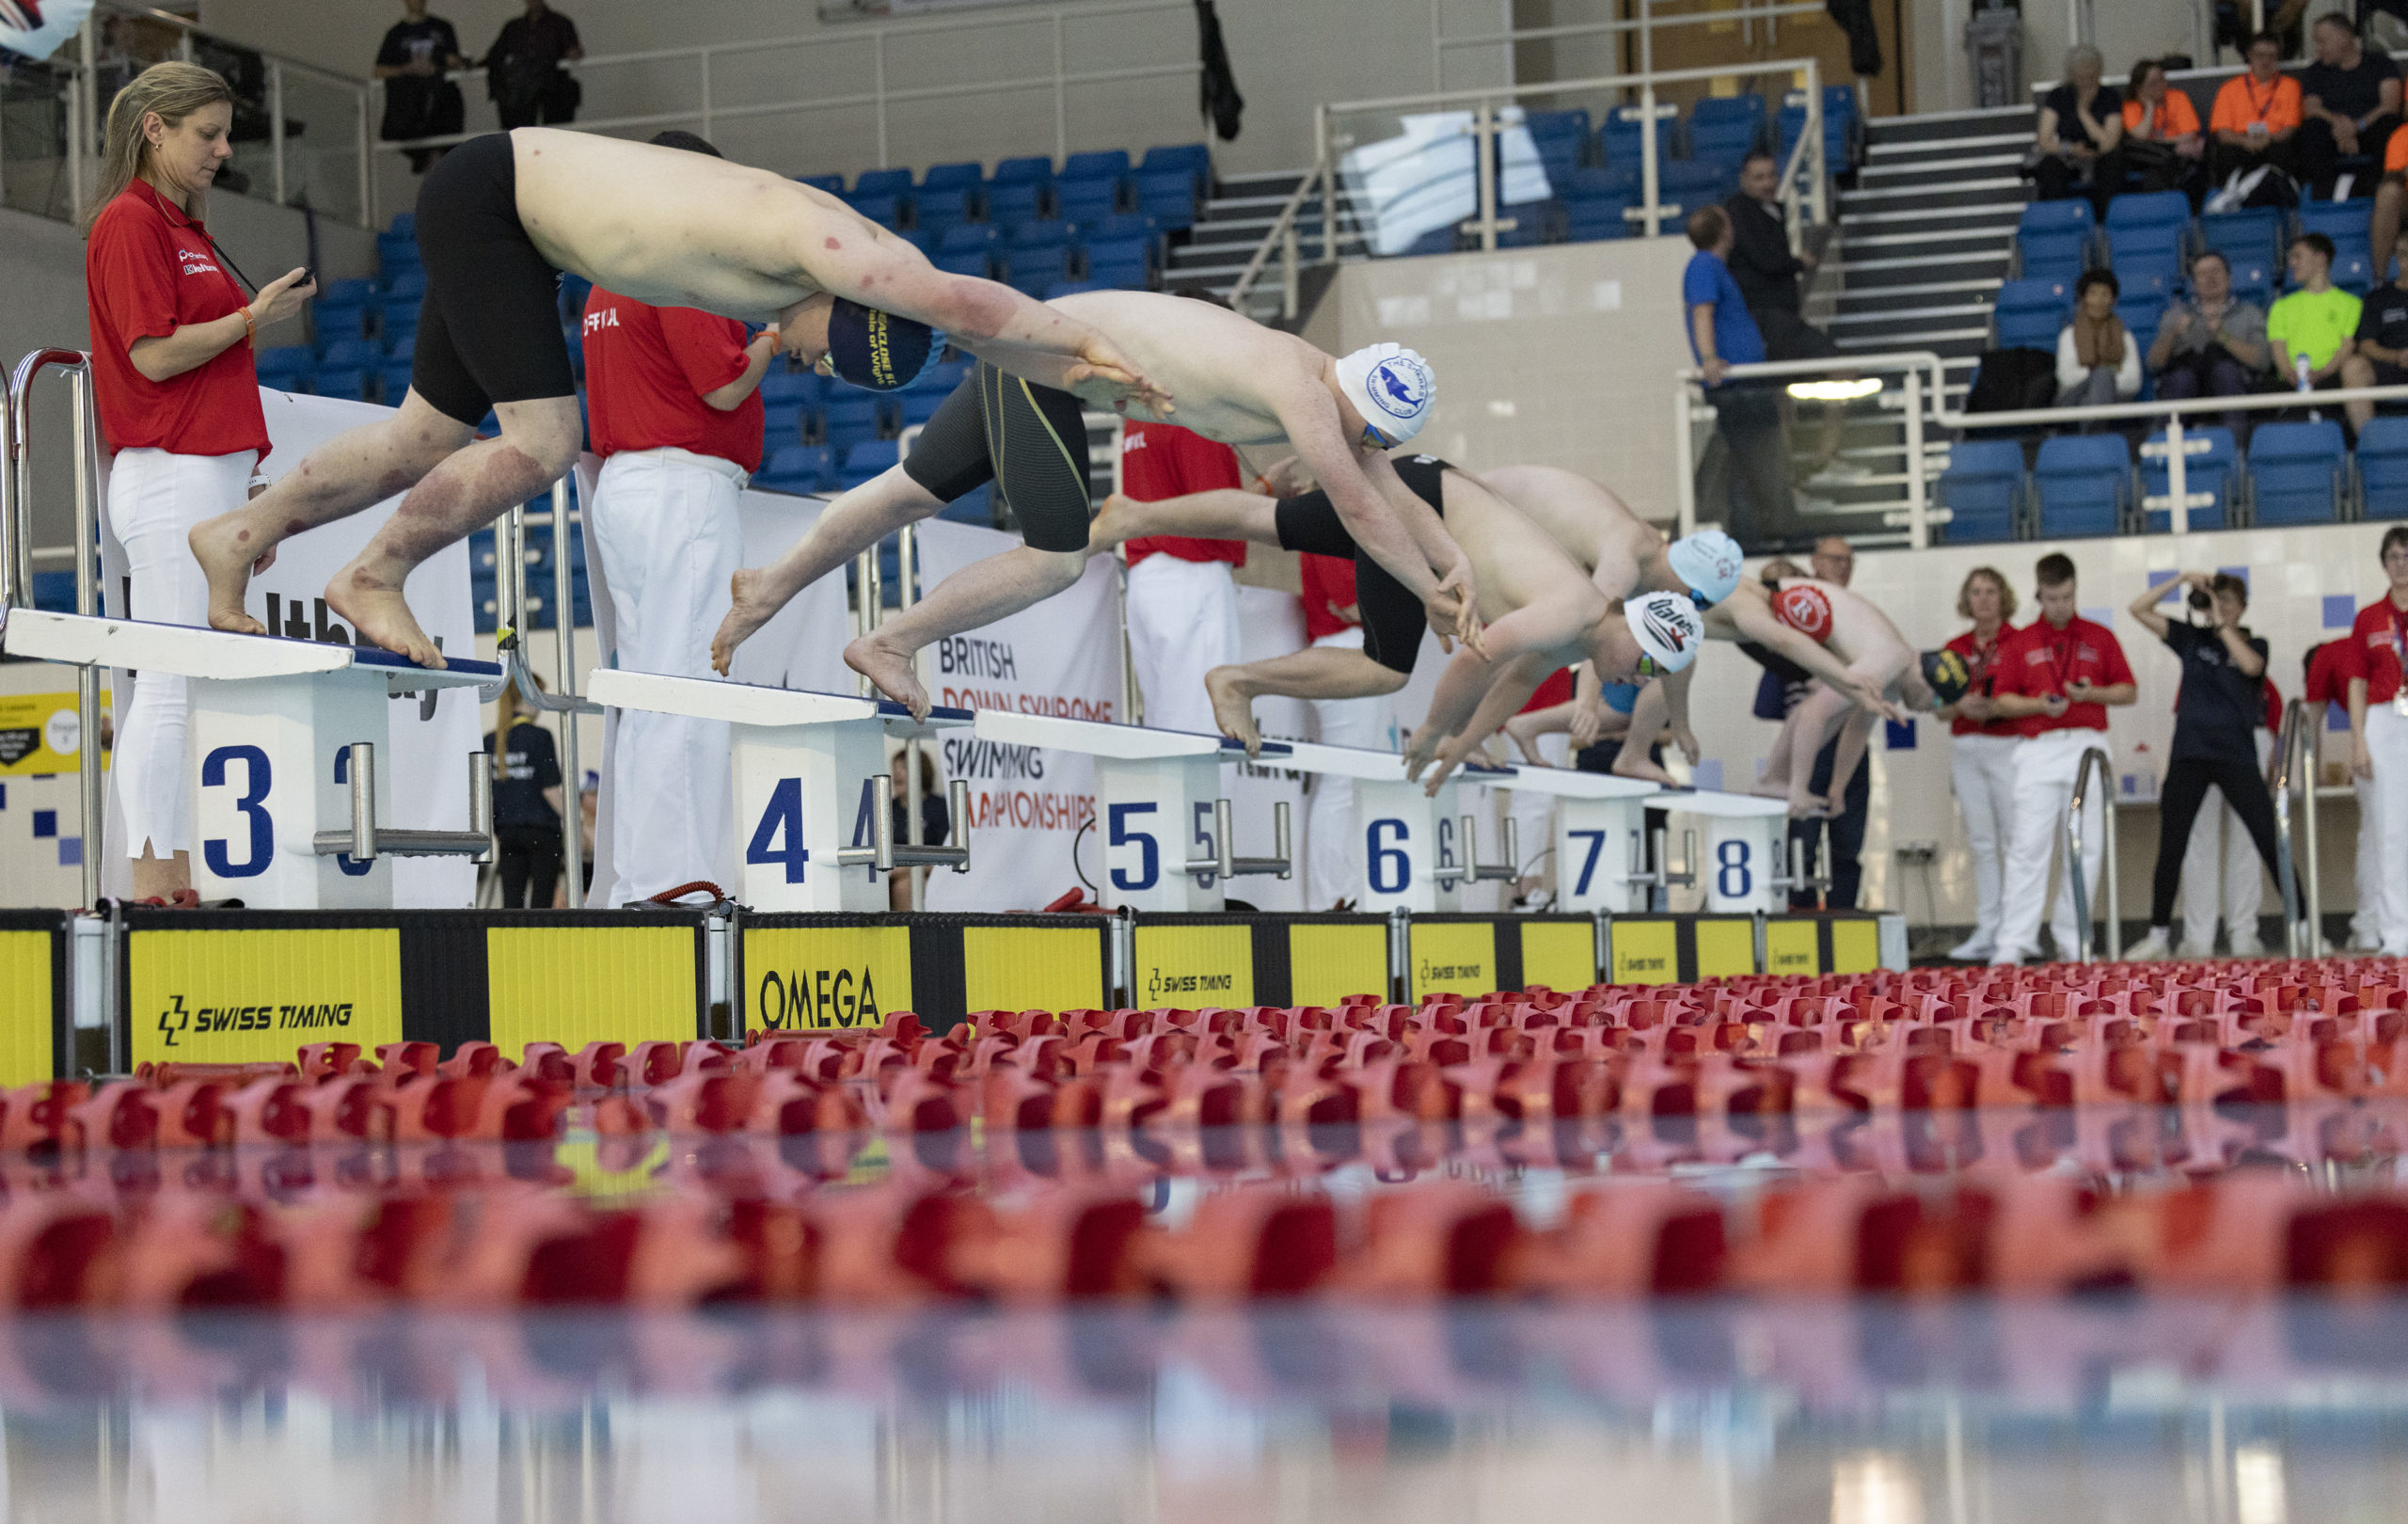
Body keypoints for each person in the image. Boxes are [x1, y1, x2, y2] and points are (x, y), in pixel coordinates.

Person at [190, 128, 1164, 676]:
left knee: (427, 432)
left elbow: (956, 318)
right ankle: (373, 572)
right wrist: (1080, 342)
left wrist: (1044, 357)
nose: (808, 366)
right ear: (858, 311)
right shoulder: (838, 255)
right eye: (830, 362)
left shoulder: (853, 269)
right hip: (498, 206)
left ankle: (239, 536)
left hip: (500, 208)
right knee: (542, 441)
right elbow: (962, 301)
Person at [710, 293, 1479, 720]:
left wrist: (1455, 565)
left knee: (912, 488)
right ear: (1355, 399)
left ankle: (769, 583)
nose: (1359, 448)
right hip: (1039, 360)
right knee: (1056, 559)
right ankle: (890, 642)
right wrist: (1426, 592)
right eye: (1364, 435)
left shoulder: (1330, 397)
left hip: (1036, 350)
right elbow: (1360, 504)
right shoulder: (1303, 390)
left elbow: (1389, 488)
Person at [82, 62, 316, 903]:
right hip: (168, 471)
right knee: (167, 683)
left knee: (182, 688)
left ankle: (172, 877)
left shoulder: (185, 225)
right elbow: (152, 356)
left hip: (206, 472)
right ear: (154, 129)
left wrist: (247, 478)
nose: (222, 150)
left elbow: (210, 371)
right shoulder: (128, 223)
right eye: (205, 134)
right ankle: (153, 882)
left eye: (224, 134)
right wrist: (253, 318)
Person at [1082, 455, 1702, 758]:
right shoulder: (1572, 611)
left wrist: (1463, 742)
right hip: (1421, 512)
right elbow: (1474, 663)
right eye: (1646, 666)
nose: (1636, 679)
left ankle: (1137, 514)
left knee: (1270, 519)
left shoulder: (1579, 634)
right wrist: (1435, 730)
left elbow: (1515, 682)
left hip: (1425, 486)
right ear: (1636, 628)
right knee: (1385, 667)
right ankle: (1239, 680)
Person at [578, 130, 781, 907]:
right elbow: (724, 387)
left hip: (631, 487)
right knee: (688, 681)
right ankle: (676, 884)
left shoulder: (611, 270)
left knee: (647, 685)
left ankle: (641, 875)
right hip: (680, 487)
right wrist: (767, 337)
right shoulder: (676, 264)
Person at [1985, 552, 2138, 965]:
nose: (2059, 606)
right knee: (2027, 848)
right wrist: (2037, 704)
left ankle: (2074, 939)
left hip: (2087, 745)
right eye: (2052, 598)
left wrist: (2092, 694)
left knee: (2087, 848)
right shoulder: (2020, 642)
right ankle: (2013, 942)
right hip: (2037, 749)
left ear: (2075, 590)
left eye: (2067, 597)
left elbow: (2128, 690)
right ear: (2039, 593)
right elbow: (2000, 701)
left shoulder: (2098, 636)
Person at [2124, 573, 2283, 961]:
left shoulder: (2253, 642)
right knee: (2172, 847)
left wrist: (2221, 625)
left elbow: (2249, 667)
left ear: (2242, 607)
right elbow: (2138, 609)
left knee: (2268, 840)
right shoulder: (2190, 639)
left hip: (2237, 756)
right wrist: (2180, 579)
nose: (2221, 605)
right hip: (2190, 756)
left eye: (2229, 600)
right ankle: (2159, 935)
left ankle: (2304, 926)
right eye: (2215, 598)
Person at [1721, 151, 1852, 487]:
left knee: (1783, 398)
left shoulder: (1766, 212)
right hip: (1769, 321)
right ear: (1744, 180)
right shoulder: (1739, 213)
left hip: (1776, 319)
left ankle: (1802, 475)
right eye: (1759, 178)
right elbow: (1766, 261)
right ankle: (1820, 461)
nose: (1767, 184)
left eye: (1771, 176)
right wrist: (1798, 262)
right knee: (1838, 370)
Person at [1120, 420, 1251, 736]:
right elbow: (1218, 512)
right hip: (1189, 571)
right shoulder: (1193, 417)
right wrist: (1270, 492)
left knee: (1169, 723)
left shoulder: (1139, 416)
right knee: (1206, 727)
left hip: (1148, 574)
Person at [1683, 205, 1790, 548]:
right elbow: (1703, 311)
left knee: (1746, 463)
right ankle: (1761, 536)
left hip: (1744, 384)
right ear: (1725, 231)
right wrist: (1710, 358)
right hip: (1737, 387)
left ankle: (1755, 533)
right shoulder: (1704, 265)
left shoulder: (1711, 267)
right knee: (1757, 463)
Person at [1937, 567, 2022, 961]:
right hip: (1966, 743)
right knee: (1982, 843)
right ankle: (1989, 927)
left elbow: (2035, 695)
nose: (1984, 599)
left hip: (2008, 744)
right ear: (1965, 599)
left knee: (2015, 841)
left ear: (2003, 597)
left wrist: (1998, 707)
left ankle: (2016, 928)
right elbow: (1937, 708)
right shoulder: (1954, 646)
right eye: (1976, 592)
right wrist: (1959, 705)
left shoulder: (2020, 642)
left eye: (1991, 591)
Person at [1296, 549, 1387, 910]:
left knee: (1351, 785)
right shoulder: (1329, 524)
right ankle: (1332, 894)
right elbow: (1350, 605)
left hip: (1358, 649)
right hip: (1344, 648)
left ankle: (1340, 891)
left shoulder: (1342, 520)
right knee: (1342, 784)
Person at [2346, 525, 2408, 956]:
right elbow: (2354, 682)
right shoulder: (2369, 617)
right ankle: (2397, 934)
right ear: (2383, 564)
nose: (2401, 565)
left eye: (2407, 556)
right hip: (2384, 719)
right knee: (2388, 829)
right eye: (2394, 557)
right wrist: (2357, 741)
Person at [2304, 637, 2379, 951]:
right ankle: (2374, 926)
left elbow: (2312, 719)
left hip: (2377, 734)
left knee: (2377, 835)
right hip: (2379, 733)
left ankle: (2369, 927)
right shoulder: (2372, 640)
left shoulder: (2326, 656)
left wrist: (2315, 773)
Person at [2149, 249, 2271, 440]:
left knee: (2225, 371)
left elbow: (2262, 361)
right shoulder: (2175, 315)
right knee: (2181, 378)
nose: (2210, 278)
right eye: (2202, 274)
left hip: (2234, 391)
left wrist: (2222, 337)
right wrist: (2172, 335)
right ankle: (2161, 455)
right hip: (2186, 390)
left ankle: (2236, 454)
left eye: (2216, 271)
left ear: (2229, 278)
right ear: (2194, 283)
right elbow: (2153, 364)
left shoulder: (2250, 313)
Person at [2297, 11, 2400, 200]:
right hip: (2334, 135)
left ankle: (2375, 189)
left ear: (2344, 37)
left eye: (2322, 41)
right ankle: (2325, 193)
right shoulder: (2316, 71)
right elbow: (2311, 108)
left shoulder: (2381, 63)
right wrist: (2340, 124)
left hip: (2370, 130)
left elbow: (2390, 105)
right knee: (2313, 127)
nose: (2318, 48)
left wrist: (2357, 126)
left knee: (2390, 124)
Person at [485, 679, 563, 910]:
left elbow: (488, 796)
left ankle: (510, 944)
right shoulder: (540, 737)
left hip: (508, 832)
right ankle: (541, 945)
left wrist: (496, 827)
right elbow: (550, 790)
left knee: (512, 902)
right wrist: (574, 821)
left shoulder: (491, 740)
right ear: (529, 697)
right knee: (542, 902)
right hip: (542, 830)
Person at [373, 0, 467, 174]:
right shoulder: (396, 34)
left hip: (441, 102)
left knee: (444, 153)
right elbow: (379, 70)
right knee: (427, 155)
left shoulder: (442, 27)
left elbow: (454, 61)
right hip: (410, 109)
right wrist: (407, 69)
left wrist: (435, 66)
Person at [2268, 231, 2361, 405]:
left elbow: (2347, 347)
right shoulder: (2280, 306)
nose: (2292, 263)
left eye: (2298, 256)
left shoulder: (2352, 304)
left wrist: (2321, 374)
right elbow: (2278, 347)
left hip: (2333, 383)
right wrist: (2290, 373)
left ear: (2320, 259)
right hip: (2290, 385)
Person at [2032, 45, 2128, 211]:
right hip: (2068, 154)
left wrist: (2083, 112)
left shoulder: (2110, 97)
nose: (2086, 82)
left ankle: (2107, 220)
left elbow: (2110, 141)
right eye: (2080, 77)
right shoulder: (2058, 96)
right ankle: (2061, 219)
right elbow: (2044, 140)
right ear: (2071, 75)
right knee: (2050, 167)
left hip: (2101, 154)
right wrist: (2072, 148)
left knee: (2113, 163)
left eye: (2090, 76)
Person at [2209, 33, 2305, 187]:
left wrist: (2269, 139)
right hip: (2241, 142)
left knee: (2287, 151)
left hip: (2275, 142)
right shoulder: (2229, 88)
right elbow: (2223, 133)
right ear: (2250, 56)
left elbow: (2290, 128)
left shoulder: (2291, 86)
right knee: (2226, 153)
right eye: (2260, 55)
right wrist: (2245, 141)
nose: (2265, 61)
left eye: (2271, 56)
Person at [2342, 227, 2408, 435]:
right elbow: (2366, 346)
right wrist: (2398, 355)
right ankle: (2370, 445)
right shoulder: (2378, 298)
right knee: (2353, 366)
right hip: (2391, 365)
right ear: (2398, 258)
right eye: (2404, 254)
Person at [483, 0, 581, 130]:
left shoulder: (560, 23)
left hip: (552, 87)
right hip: (522, 91)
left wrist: (573, 53)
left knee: (555, 130)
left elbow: (573, 49)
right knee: (522, 131)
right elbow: (496, 54)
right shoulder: (514, 26)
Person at [2119, 57, 2207, 198]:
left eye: (2162, 80)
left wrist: (2162, 143)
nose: (2161, 86)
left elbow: (2189, 135)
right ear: (2139, 88)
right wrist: (2149, 107)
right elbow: (2140, 138)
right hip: (2145, 157)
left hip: (2169, 159)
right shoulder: (2130, 106)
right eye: (2153, 83)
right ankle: (2171, 154)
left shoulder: (2177, 97)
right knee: (2134, 147)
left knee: (2159, 173)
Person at [2057, 269, 2141, 408]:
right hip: (2073, 400)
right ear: (2083, 298)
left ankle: (2094, 428)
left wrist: (2102, 379)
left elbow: (2133, 382)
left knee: (2097, 389)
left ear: (2113, 299)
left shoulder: (2126, 337)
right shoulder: (2068, 335)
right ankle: (2096, 425)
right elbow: (2067, 377)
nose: (2099, 301)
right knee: (2101, 378)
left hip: (2115, 400)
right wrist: (2104, 374)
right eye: (2093, 294)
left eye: (2105, 294)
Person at [886, 747, 950, 911]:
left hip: (927, 874)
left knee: (906, 886)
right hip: (888, 876)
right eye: (895, 768)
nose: (896, 773)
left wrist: (904, 869)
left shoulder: (939, 807)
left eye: (903, 768)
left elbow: (947, 855)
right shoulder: (887, 808)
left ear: (920, 771)